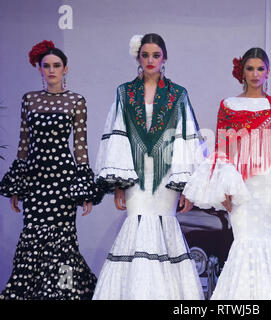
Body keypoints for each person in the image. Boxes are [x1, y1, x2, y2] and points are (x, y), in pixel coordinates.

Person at [182, 48, 271, 300]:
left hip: (268, 183)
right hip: (240, 187)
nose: (255, 74)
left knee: (267, 242)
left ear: (268, 72)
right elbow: (221, 149)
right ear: (242, 72)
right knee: (243, 243)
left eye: (260, 69)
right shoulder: (228, 105)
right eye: (250, 68)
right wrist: (224, 187)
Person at [92, 33, 205, 300]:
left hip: (167, 177)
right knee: (136, 228)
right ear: (138, 58)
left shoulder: (178, 94)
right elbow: (119, 137)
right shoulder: (124, 92)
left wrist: (186, 186)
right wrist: (119, 185)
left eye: (156, 55)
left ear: (164, 58)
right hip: (134, 178)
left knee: (165, 229)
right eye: (145, 55)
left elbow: (185, 137)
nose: (150, 60)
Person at [0, 40, 100, 300]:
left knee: (64, 242)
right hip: (34, 180)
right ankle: (29, 293)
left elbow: (80, 147)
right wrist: (17, 185)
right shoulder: (30, 100)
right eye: (47, 66)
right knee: (32, 237)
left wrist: (84, 189)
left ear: (65, 69)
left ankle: (64, 291)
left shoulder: (75, 101)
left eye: (57, 65)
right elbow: (24, 144)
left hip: (63, 182)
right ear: (40, 69)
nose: (52, 70)